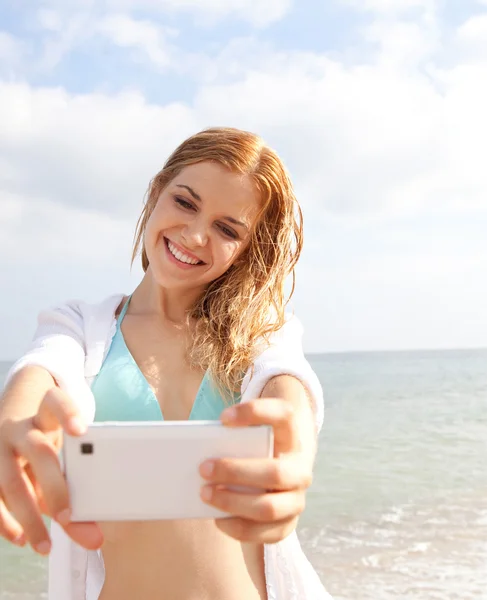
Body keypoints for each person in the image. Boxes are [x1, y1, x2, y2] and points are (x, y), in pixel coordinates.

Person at [0, 127, 331, 600]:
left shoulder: (259, 335)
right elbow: (41, 369)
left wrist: (295, 443)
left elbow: (286, 381)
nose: (195, 235)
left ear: (246, 250)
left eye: (227, 229)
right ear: (156, 192)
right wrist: (14, 420)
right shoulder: (79, 327)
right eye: (185, 202)